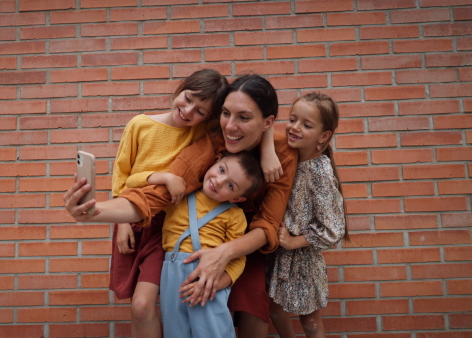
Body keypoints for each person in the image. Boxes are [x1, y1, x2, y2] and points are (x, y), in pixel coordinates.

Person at [64, 74, 298, 337]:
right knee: (185, 310)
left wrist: (224, 253)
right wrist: (95, 212)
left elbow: (267, 222)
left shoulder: (285, 153)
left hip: (246, 241)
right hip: (195, 241)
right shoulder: (213, 139)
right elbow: (158, 195)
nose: (230, 126)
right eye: (225, 114)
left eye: (244, 118)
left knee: (254, 311)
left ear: (267, 123)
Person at [64, 151, 263, 338]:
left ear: (237, 198)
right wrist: (165, 178)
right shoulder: (179, 195)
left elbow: (237, 258)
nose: (219, 181)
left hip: (208, 280)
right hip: (171, 273)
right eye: (221, 170)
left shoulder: (235, 215)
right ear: (215, 161)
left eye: (230, 186)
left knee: (212, 332)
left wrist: (217, 284)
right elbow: (132, 183)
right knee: (175, 332)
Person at [108, 68, 229, 338]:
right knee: (137, 309)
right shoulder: (139, 124)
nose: (188, 111)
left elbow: (242, 119)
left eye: (200, 111)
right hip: (130, 219)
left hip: (166, 227)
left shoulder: (198, 134)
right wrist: (123, 221)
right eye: (187, 98)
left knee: (143, 303)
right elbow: (122, 175)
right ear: (180, 89)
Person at [267, 92, 348, 338]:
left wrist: (293, 241)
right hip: (278, 255)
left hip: (302, 260)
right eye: (292, 119)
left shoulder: (319, 171)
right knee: (274, 310)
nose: (295, 127)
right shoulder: (290, 158)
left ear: (323, 136)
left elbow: (334, 228)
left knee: (310, 321)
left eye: (306, 124)